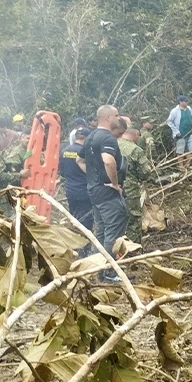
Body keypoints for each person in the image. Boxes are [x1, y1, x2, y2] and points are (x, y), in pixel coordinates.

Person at [81, 105, 127, 280]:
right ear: (108, 118)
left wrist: (94, 178)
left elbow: (80, 160)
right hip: (107, 192)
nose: (118, 117)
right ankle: (108, 272)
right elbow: (108, 161)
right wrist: (113, 183)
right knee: (113, 231)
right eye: (116, 115)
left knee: (100, 230)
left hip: (93, 190)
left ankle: (96, 268)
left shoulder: (90, 136)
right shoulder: (107, 137)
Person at [118, 124, 150, 243]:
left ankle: (116, 245)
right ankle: (133, 247)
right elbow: (145, 172)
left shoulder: (113, 144)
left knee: (117, 217)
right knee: (133, 218)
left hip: (112, 188)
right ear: (136, 134)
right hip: (130, 189)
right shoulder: (135, 149)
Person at [59, 127, 93, 233]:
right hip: (84, 191)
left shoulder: (64, 151)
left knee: (74, 218)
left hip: (70, 191)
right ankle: (84, 247)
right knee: (86, 221)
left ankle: (75, 243)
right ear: (87, 138)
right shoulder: (85, 152)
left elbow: (62, 172)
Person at [167, 96, 192, 168]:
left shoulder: (189, 109)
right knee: (180, 151)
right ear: (180, 102)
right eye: (185, 101)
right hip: (181, 134)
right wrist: (176, 131)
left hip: (190, 132)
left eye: (187, 101)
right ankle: (181, 166)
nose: (186, 103)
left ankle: (187, 165)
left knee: (191, 149)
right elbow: (169, 121)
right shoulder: (175, 111)